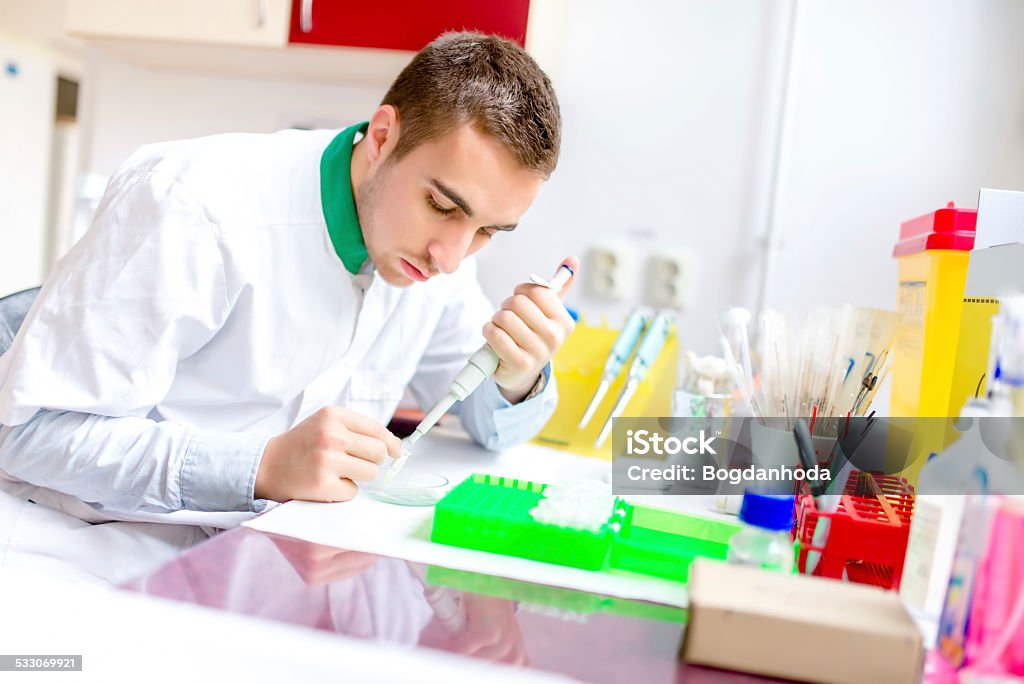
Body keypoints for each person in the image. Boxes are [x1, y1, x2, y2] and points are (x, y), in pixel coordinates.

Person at [0, 32, 575, 582]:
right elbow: (30, 432)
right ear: (381, 138)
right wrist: (263, 466)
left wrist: (518, 375)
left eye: (488, 231)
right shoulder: (194, 205)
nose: (452, 257)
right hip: (78, 547)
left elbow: (486, 426)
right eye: (441, 205)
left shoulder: (436, 260)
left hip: (255, 565)